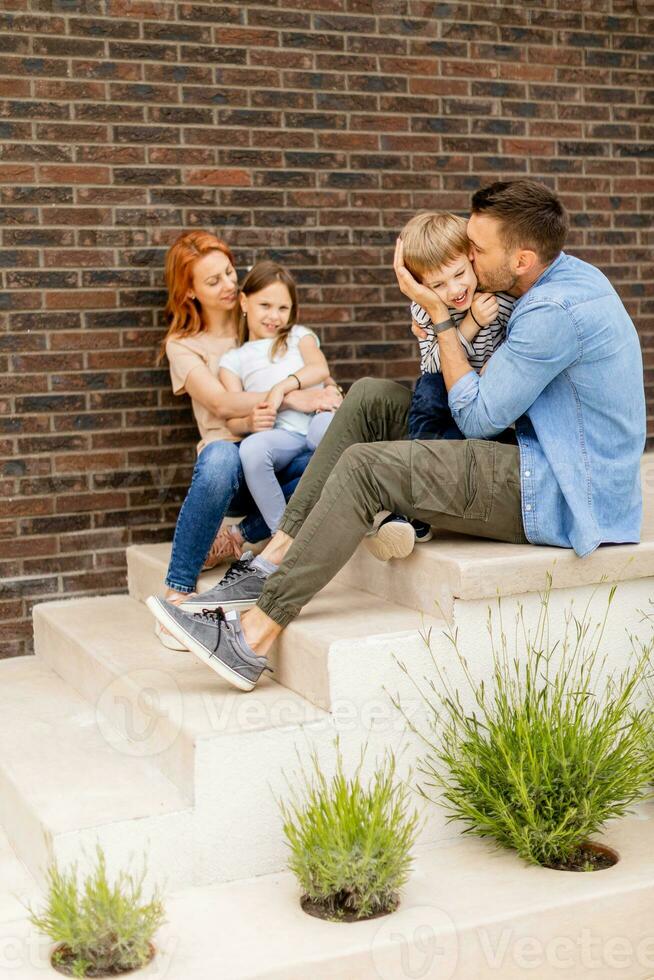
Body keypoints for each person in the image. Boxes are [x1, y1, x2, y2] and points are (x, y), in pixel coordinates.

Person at [147, 179, 646, 691]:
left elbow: (476, 417)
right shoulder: (538, 277)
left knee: (367, 466)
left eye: (476, 249)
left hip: (559, 487)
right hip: (529, 444)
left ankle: (249, 639)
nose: (466, 258)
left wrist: (439, 318)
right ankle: (272, 558)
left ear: (520, 258)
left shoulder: (551, 311)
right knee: (367, 397)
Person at [154, 230, 342, 649]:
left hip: (282, 457)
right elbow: (222, 404)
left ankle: (240, 538)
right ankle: (178, 590)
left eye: (229, 272)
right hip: (230, 465)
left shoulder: (263, 317)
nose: (229, 285)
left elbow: (318, 372)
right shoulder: (184, 346)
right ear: (189, 293)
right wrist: (294, 395)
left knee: (326, 458)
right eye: (213, 280)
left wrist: (326, 397)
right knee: (222, 455)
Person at [365, 210, 515, 561]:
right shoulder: (425, 309)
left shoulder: (502, 299)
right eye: (438, 285)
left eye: (459, 274)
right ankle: (412, 512)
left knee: (458, 442)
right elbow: (432, 365)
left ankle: (414, 509)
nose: (455, 290)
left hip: (488, 400)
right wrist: (467, 323)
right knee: (428, 393)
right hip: (446, 393)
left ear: (472, 258)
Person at [219, 260, 335, 537]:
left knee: (329, 438)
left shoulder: (299, 335)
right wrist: (249, 421)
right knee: (251, 450)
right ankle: (280, 533)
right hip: (283, 433)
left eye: (283, 308)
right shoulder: (233, 359)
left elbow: (319, 369)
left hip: (318, 415)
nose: (274, 316)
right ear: (244, 302)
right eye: (265, 306)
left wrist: (281, 389)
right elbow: (232, 421)